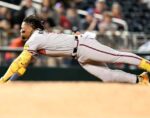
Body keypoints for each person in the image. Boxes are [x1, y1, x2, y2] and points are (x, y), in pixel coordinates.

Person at [0, 15, 150, 84]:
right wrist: (11, 83)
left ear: (32, 27)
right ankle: (140, 80)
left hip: (83, 45)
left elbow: (18, 62)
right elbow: (22, 66)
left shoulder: (34, 39)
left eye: (23, 28)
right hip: (79, 55)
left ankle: (147, 64)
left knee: (115, 56)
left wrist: (3, 81)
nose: (20, 31)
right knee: (107, 77)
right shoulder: (36, 40)